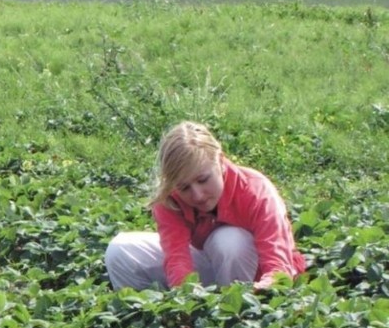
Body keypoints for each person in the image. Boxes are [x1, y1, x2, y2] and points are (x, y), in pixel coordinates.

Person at [105, 121, 305, 291]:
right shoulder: (169, 198)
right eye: (184, 187)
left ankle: (237, 317)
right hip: (208, 264)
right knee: (119, 250)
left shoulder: (256, 190)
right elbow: (176, 258)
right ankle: (152, 321)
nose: (197, 195)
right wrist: (187, 298)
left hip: (255, 276)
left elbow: (278, 262)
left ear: (219, 160)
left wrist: (270, 286)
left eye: (203, 180)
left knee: (229, 241)